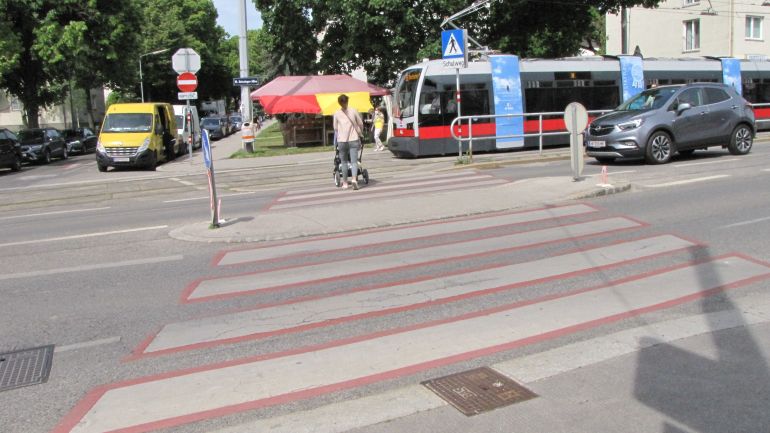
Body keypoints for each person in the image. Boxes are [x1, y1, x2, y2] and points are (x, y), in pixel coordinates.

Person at [333, 94, 364, 190]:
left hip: (342, 141)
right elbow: (360, 123)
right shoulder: (353, 111)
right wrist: (360, 132)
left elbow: (335, 128)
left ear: (339, 103)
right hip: (353, 139)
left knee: (344, 162)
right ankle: (354, 179)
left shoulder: (336, 113)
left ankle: (345, 183)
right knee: (354, 162)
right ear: (347, 101)